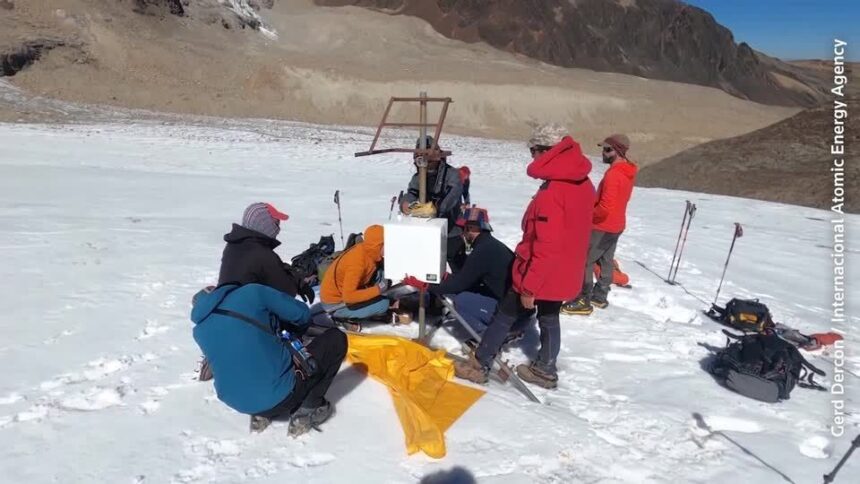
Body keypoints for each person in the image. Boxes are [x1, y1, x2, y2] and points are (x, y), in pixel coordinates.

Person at [454, 123, 595, 389]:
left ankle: (479, 365)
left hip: (539, 270)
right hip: (566, 268)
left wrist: (529, 286)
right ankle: (545, 369)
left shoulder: (553, 192)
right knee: (550, 316)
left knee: (506, 313)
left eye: (533, 151)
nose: (531, 157)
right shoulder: (583, 183)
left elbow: (545, 245)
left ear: (546, 152)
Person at [191, 282, 347, 436]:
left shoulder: (199, 332)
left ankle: (262, 413)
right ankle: (308, 409)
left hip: (239, 403)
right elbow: (302, 314)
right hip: (283, 394)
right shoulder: (251, 293)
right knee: (336, 340)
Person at [403, 207, 529, 338]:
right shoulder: (490, 245)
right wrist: (447, 278)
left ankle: (490, 336)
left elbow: (459, 285)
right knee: (470, 293)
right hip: (519, 309)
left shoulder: (482, 251)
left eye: (465, 229)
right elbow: (469, 278)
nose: (462, 233)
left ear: (473, 228)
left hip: (513, 317)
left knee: (462, 300)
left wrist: (425, 286)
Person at [562, 134, 637, 315]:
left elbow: (605, 207)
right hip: (616, 225)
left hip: (603, 226)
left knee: (584, 261)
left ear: (617, 151)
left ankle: (582, 299)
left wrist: (587, 216)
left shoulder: (613, 175)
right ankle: (600, 296)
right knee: (605, 260)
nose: (603, 153)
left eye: (607, 149)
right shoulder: (628, 171)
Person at [218, 202, 315, 303]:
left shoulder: (234, 246)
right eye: (276, 223)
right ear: (264, 225)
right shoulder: (262, 254)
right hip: (247, 313)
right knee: (301, 313)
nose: (278, 229)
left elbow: (273, 270)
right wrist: (299, 284)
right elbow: (286, 290)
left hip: (225, 308)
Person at [400, 136, 467, 272]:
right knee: (428, 263)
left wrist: (433, 209)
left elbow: (450, 199)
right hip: (427, 228)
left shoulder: (452, 174)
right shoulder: (418, 177)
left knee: (456, 261)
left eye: (425, 158)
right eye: (418, 158)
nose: (422, 162)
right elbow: (411, 193)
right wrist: (406, 204)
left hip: (450, 229)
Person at [319, 224, 392, 320]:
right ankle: (342, 317)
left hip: (344, 293)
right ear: (378, 245)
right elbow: (349, 297)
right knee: (383, 304)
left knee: (380, 272)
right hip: (335, 304)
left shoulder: (368, 251)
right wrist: (379, 289)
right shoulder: (357, 263)